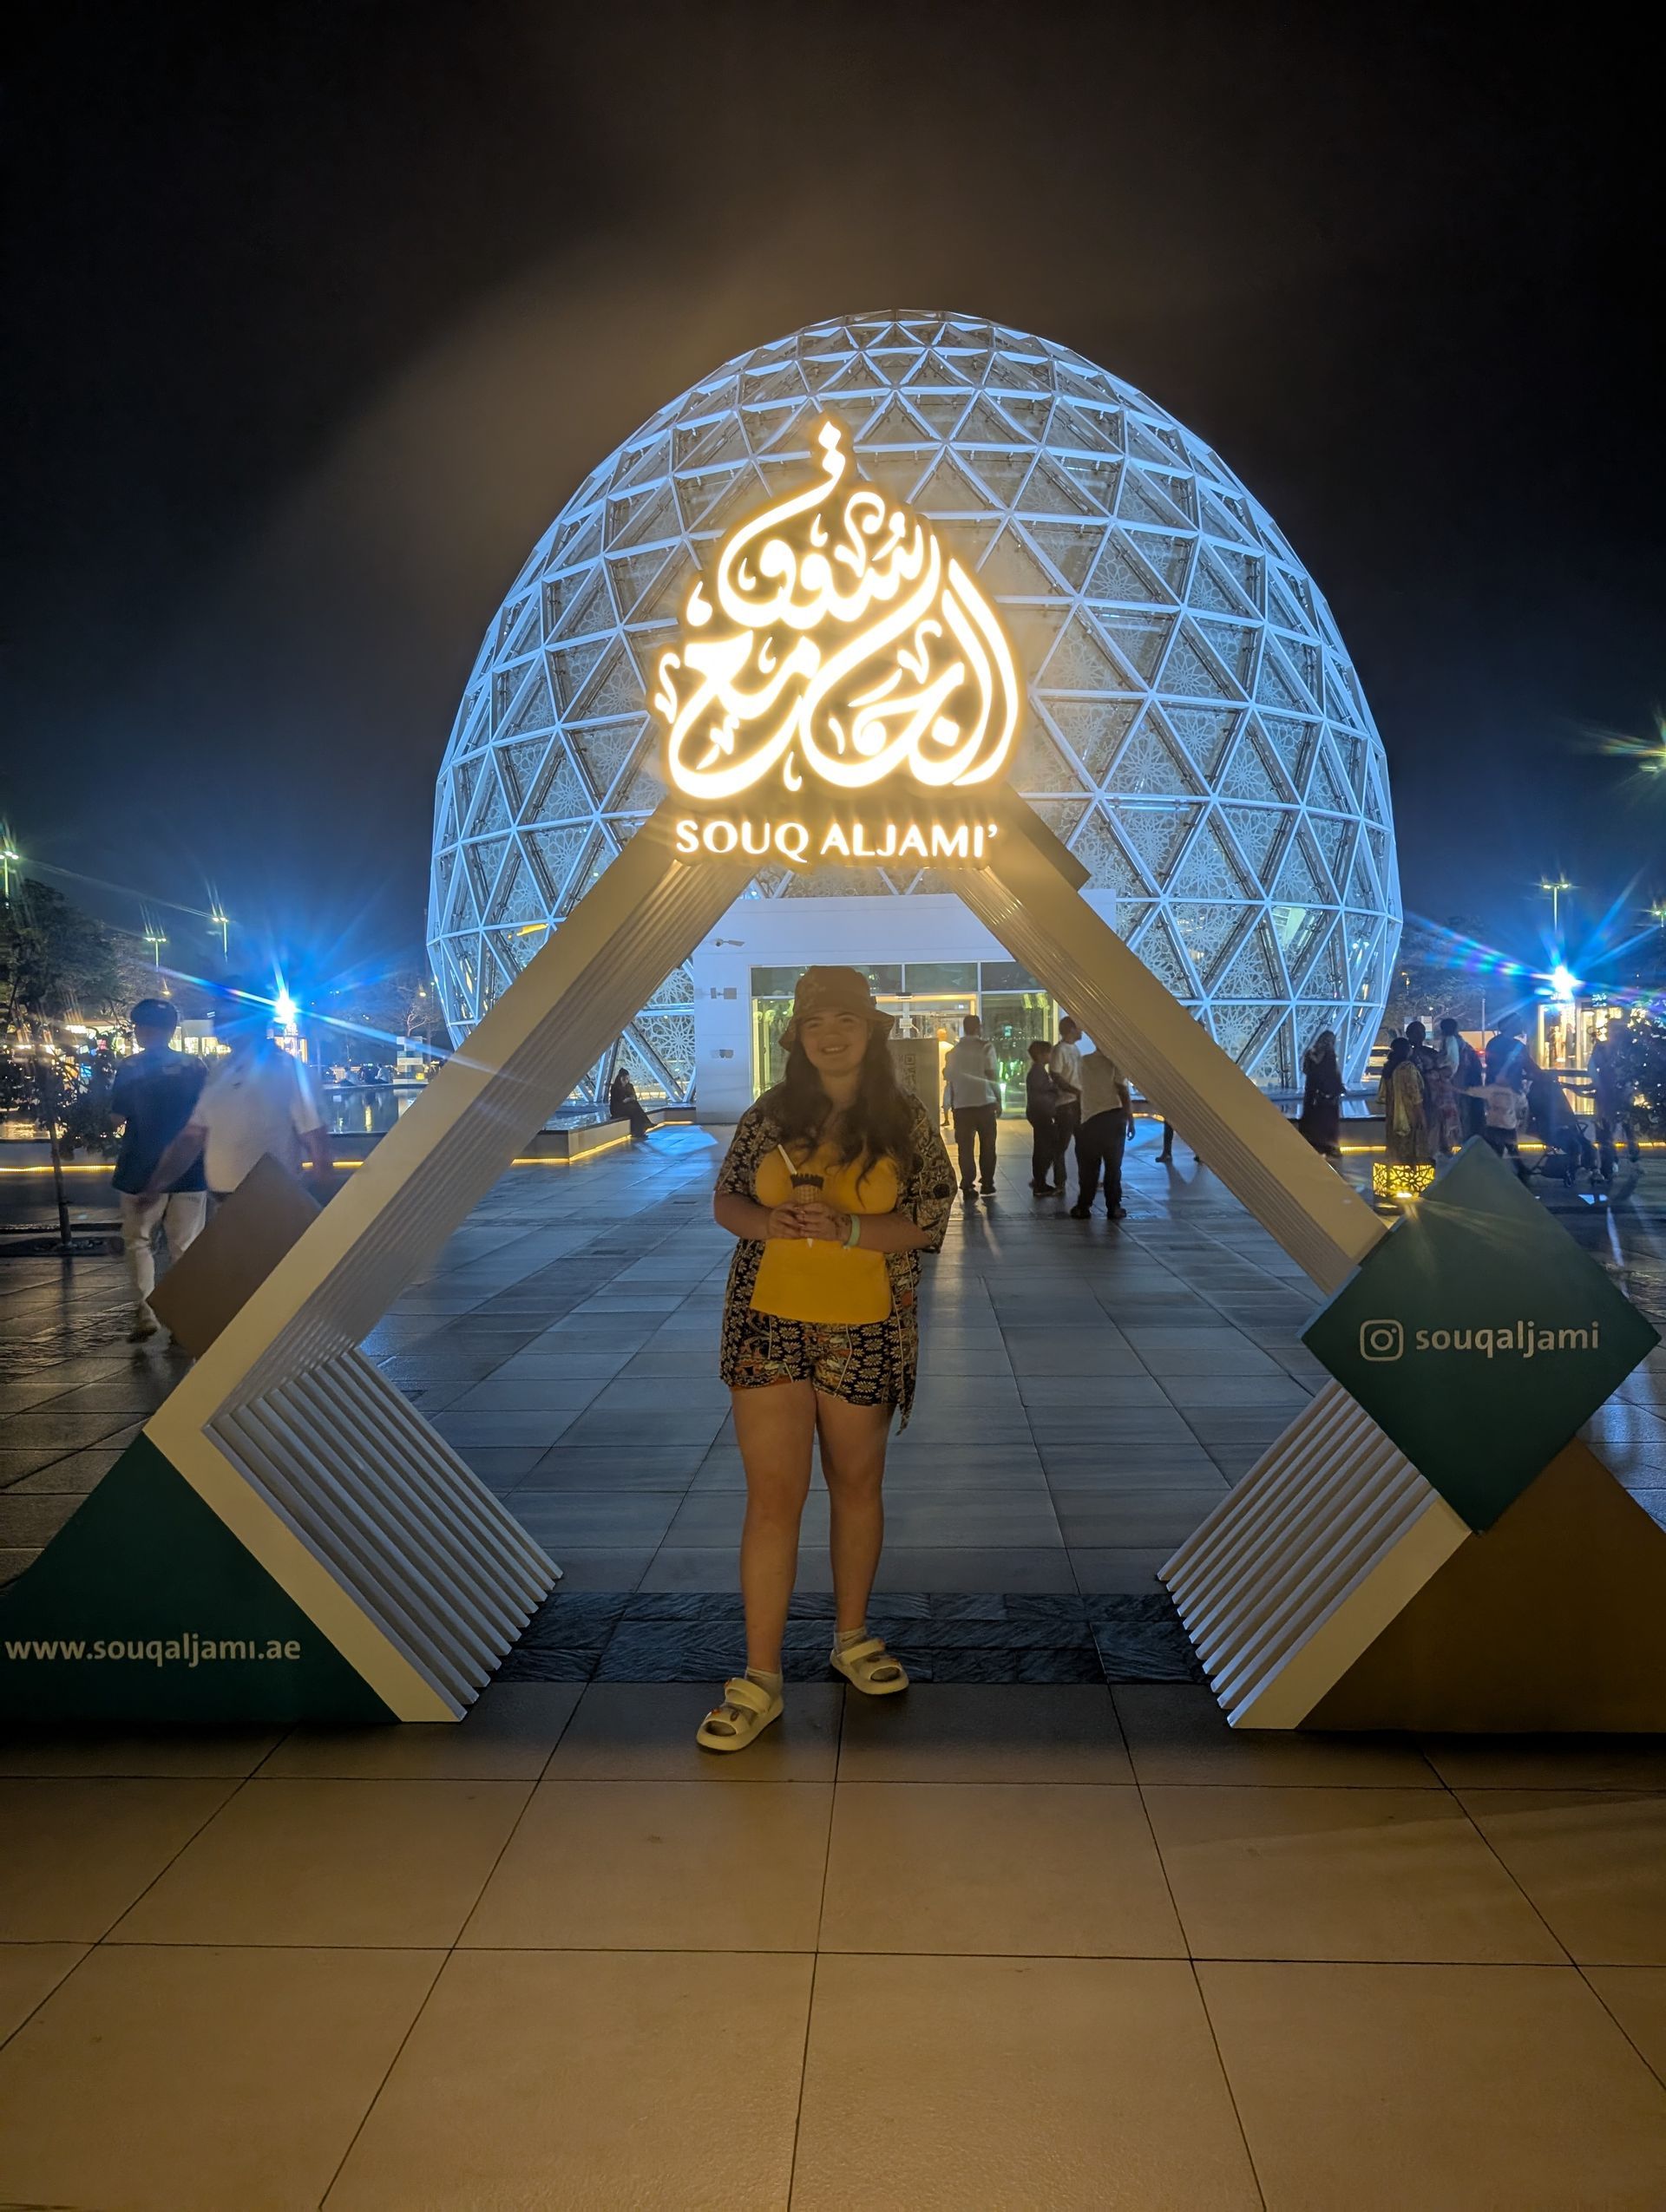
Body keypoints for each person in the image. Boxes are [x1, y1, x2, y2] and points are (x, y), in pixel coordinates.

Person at [699, 966, 954, 1753]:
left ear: (870, 1030)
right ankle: (761, 1676)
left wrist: (848, 1230)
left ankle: (851, 1637)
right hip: (768, 1326)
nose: (830, 1035)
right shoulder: (770, 1116)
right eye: (815, 1023)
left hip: (866, 1328)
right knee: (773, 1499)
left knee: (855, 1486)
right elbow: (727, 1200)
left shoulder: (905, 1118)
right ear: (798, 1038)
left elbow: (931, 1215)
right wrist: (768, 1221)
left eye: (845, 1020)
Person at [145, 982, 332, 1206]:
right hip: (223, 1201)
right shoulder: (219, 1071)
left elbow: (316, 1140)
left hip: (273, 1200)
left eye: (226, 1012)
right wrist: (156, 1184)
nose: (218, 1021)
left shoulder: (291, 1072)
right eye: (217, 1012)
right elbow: (192, 1137)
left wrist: (318, 1199)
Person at [111, 998, 208, 1341]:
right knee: (185, 1245)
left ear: (143, 1029)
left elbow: (116, 1117)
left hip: (140, 1168)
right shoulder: (195, 1066)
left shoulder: (131, 1067)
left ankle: (146, 1312)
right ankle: (185, 1315)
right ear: (171, 1030)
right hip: (190, 1168)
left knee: (139, 1241)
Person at [1069, 1038, 1134, 1220]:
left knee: (1088, 1167)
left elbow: (1078, 1089)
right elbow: (1122, 1090)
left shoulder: (1083, 1061)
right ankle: (1114, 1207)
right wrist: (1130, 1118)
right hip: (1113, 1120)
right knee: (1113, 1167)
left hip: (1089, 1120)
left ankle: (1083, 1206)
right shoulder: (1115, 1063)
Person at [942, 1012, 1000, 1202]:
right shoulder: (986, 1047)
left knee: (965, 1148)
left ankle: (968, 1184)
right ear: (977, 1028)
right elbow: (992, 1074)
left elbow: (948, 1076)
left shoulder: (953, 1052)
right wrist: (999, 1099)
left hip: (962, 1107)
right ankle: (988, 1182)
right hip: (985, 1105)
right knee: (988, 1145)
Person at [1376, 1036, 1433, 1185]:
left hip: (1393, 1115)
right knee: (1411, 1147)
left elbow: (1384, 1095)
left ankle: (1396, 1182)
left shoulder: (1389, 1068)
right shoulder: (1407, 1068)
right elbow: (1415, 1095)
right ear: (1406, 1050)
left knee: (1396, 1147)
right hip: (1408, 1115)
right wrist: (1421, 1117)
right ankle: (1410, 1181)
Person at [1024, 1038, 1066, 1195]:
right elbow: (1045, 1089)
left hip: (1040, 1113)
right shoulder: (1038, 1072)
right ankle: (1039, 1183)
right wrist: (1057, 1089)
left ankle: (1039, 1181)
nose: (1051, 1056)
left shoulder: (1037, 1071)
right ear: (1041, 1055)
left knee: (1044, 1147)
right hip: (1042, 1113)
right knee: (1045, 1148)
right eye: (1049, 1053)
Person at [1296, 1030, 1345, 1158]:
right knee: (1328, 1121)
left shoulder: (1311, 1053)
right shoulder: (1329, 1054)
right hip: (1326, 1095)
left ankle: (1313, 1144)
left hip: (1313, 1093)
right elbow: (1332, 1073)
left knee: (1313, 1119)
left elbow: (1307, 1070)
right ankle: (1329, 1146)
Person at [1047, 1015, 1084, 1178]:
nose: (1082, 1030)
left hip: (1078, 1103)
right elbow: (1055, 1074)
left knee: (1084, 1144)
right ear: (1071, 1030)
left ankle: (1086, 1177)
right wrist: (1074, 1091)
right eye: (1079, 1027)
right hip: (1066, 1104)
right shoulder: (1060, 1050)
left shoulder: (1074, 1049)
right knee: (1062, 1144)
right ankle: (1060, 1180)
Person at [1440, 1017, 1486, 1142]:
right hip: (1469, 1082)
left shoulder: (1450, 1040)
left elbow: (1452, 1063)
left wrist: (1445, 1077)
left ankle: (1464, 1139)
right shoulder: (1461, 1041)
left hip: (1460, 1082)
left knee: (1462, 1111)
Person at [608, 1065, 652, 1141]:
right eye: (624, 1079)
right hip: (618, 1108)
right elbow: (619, 1101)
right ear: (619, 1078)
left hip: (629, 1106)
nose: (626, 1081)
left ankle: (639, 1131)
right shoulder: (615, 1087)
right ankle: (642, 1127)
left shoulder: (630, 1086)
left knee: (635, 1108)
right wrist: (628, 1099)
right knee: (635, 1109)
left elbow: (634, 1097)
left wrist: (630, 1099)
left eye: (627, 1079)